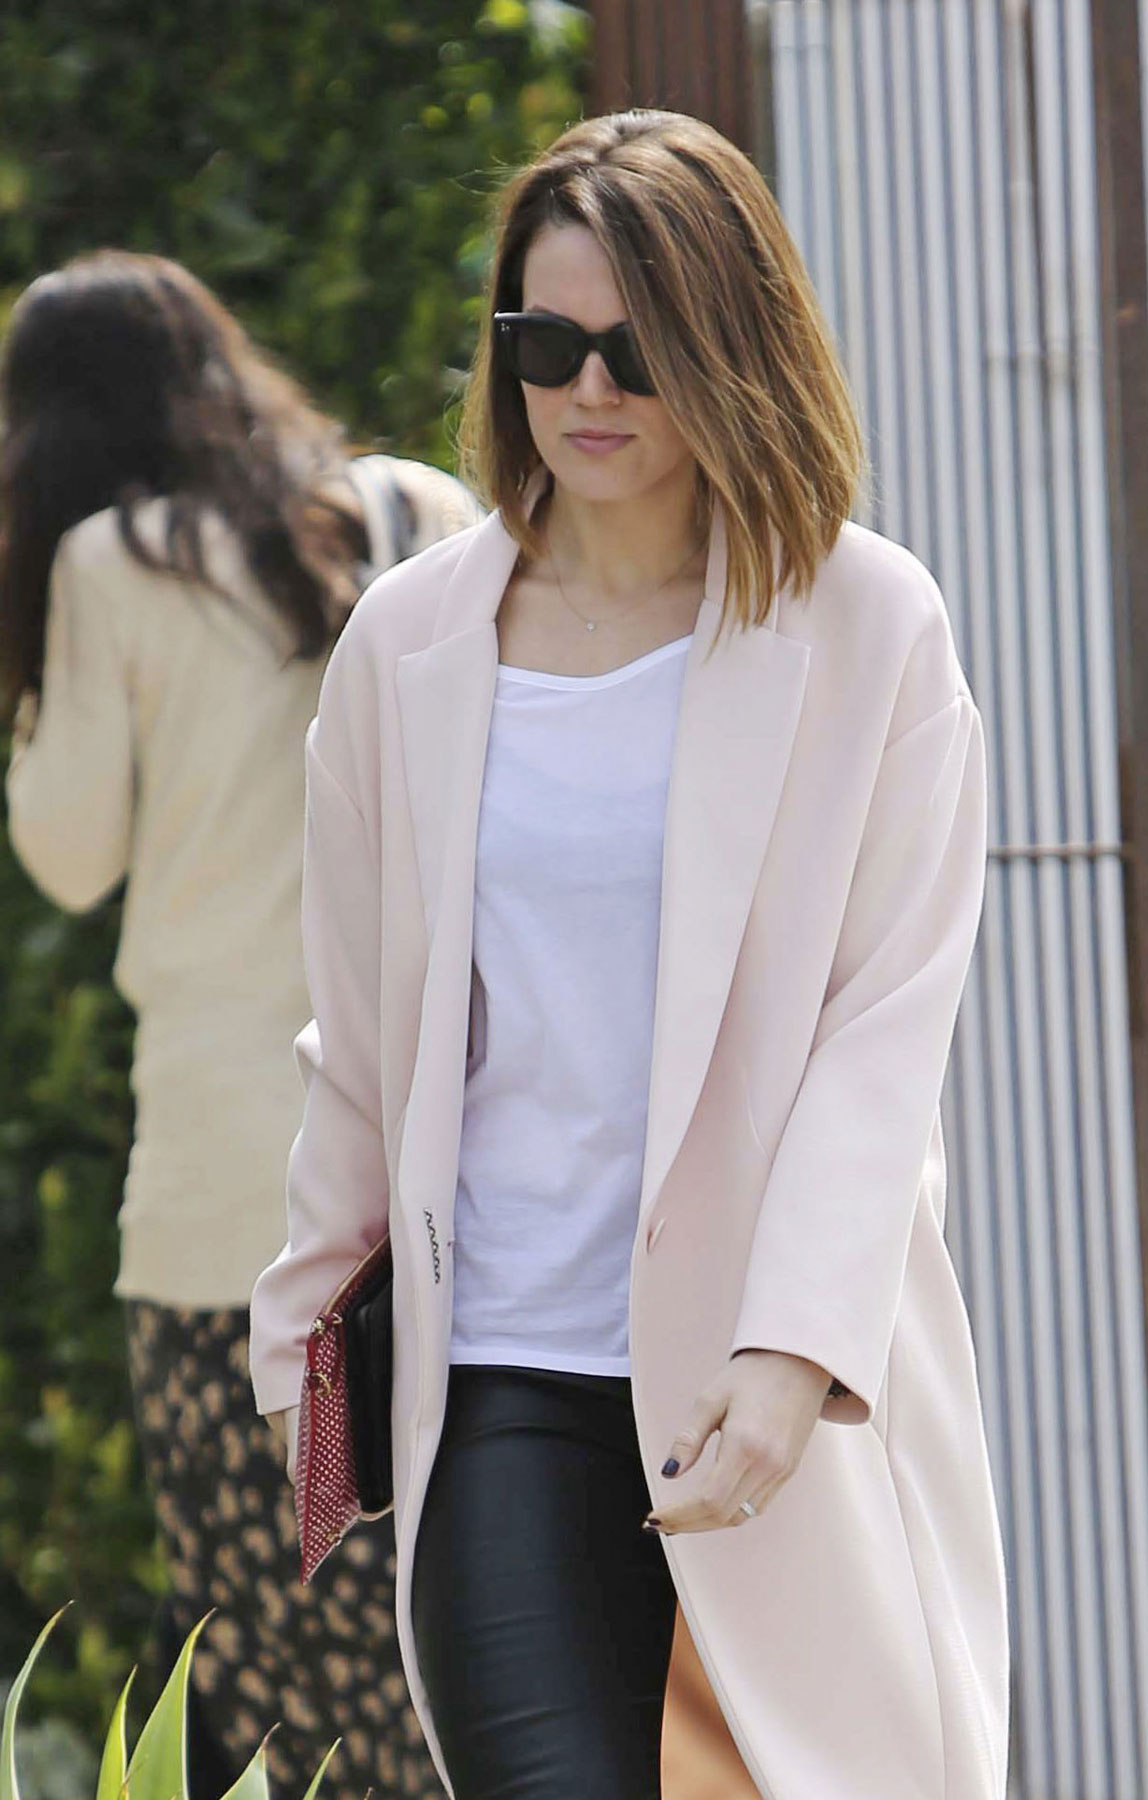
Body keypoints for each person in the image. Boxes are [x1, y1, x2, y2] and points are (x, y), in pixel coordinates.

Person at [249, 110, 1010, 1800]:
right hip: (502, 1372)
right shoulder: (409, 645)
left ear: (729, 346)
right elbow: (365, 1030)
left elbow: (883, 1036)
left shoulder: (868, 624)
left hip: (767, 1386)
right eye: (546, 344)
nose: (588, 390)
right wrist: (308, 1316)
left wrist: (794, 1348)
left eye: (637, 350)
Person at [1, 249, 477, 1800]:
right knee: (447, 1646)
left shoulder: (110, 563)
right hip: (444, 1200)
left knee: (288, 1663)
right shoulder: (416, 513)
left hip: (230, 1218)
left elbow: (68, 849)